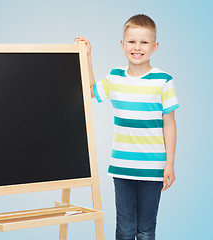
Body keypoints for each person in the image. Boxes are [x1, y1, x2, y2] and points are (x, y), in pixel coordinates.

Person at [74, 14, 179, 240]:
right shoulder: (114, 77)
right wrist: (88, 55)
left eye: (144, 42)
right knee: (124, 230)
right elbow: (90, 91)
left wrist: (169, 163)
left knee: (146, 230)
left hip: (153, 169)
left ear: (154, 46)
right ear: (122, 44)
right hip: (122, 167)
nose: (137, 47)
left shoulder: (163, 80)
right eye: (132, 42)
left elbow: (169, 124)